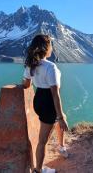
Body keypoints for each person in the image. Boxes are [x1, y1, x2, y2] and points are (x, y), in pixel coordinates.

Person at [21, 34, 69, 173]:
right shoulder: (51, 67)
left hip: (39, 100)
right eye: (51, 45)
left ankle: (61, 146)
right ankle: (39, 170)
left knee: (59, 119)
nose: (52, 48)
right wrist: (60, 117)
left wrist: (61, 116)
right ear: (46, 48)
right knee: (43, 141)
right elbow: (55, 93)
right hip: (49, 102)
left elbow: (26, 84)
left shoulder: (32, 64)